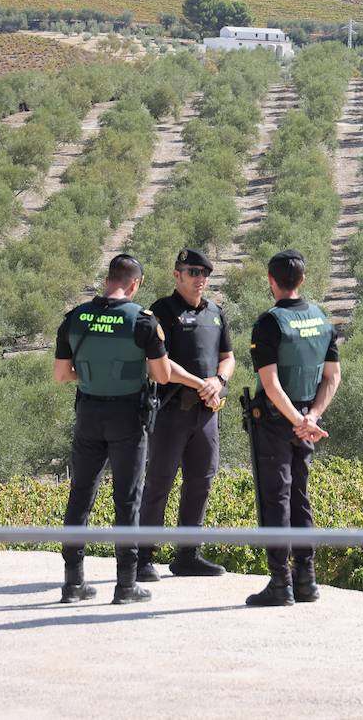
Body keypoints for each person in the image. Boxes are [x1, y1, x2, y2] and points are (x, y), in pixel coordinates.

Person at [53, 254, 171, 605]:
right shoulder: (144, 322)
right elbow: (162, 375)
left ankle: (73, 583)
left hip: (88, 413)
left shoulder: (75, 318)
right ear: (134, 284)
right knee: (127, 500)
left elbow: (62, 375)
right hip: (127, 418)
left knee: (80, 495)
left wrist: (90, 377)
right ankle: (125, 585)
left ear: (108, 279)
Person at [244, 249, 341, 607]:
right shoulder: (321, 319)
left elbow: (270, 384)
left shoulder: (269, 323)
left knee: (276, 499)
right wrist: (312, 416)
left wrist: (296, 419)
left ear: (271, 281)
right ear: (302, 279)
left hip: (275, 421)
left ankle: (280, 584)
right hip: (305, 421)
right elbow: (332, 377)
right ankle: (307, 579)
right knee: (300, 497)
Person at [135, 248, 235, 582]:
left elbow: (228, 357)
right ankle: (143, 557)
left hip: (206, 414)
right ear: (177, 275)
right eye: (193, 272)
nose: (199, 279)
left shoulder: (216, 313)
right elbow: (158, 364)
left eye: (204, 273)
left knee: (201, 481)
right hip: (170, 413)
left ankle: (187, 555)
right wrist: (200, 383)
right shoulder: (161, 311)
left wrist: (218, 381)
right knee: (159, 482)